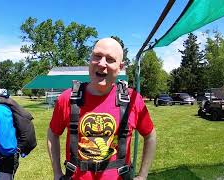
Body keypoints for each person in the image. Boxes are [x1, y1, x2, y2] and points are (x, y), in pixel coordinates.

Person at [47, 38, 156, 180]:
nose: (102, 63)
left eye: (110, 59)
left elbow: (150, 135)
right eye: (97, 56)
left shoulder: (132, 99)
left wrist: (142, 175)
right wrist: (56, 172)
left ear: (120, 67)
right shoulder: (67, 98)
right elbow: (52, 133)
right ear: (90, 59)